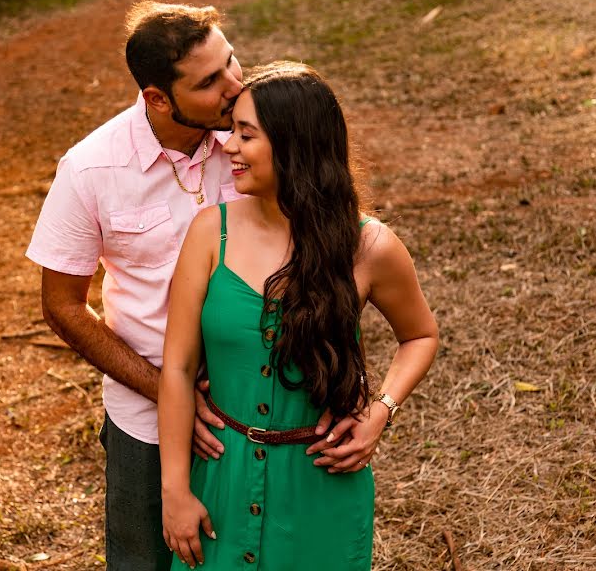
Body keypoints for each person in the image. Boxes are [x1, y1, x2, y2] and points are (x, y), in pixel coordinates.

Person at [158, 62, 440, 570]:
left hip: (320, 486)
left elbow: (419, 335)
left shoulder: (370, 245)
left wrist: (381, 411)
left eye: (247, 135)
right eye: (231, 131)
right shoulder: (209, 233)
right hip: (222, 478)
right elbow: (177, 369)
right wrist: (175, 490)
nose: (228, 146)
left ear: (295, 145)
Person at [26, 0, 246, 570]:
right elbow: (63, 307)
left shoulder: (255, 137)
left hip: (257, 403)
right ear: (157, 98)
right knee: (143, 562)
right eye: (209, 81)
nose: (234, 85)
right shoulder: (90, 169)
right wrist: (166, 393)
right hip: (144, 419)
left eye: (232, 62)